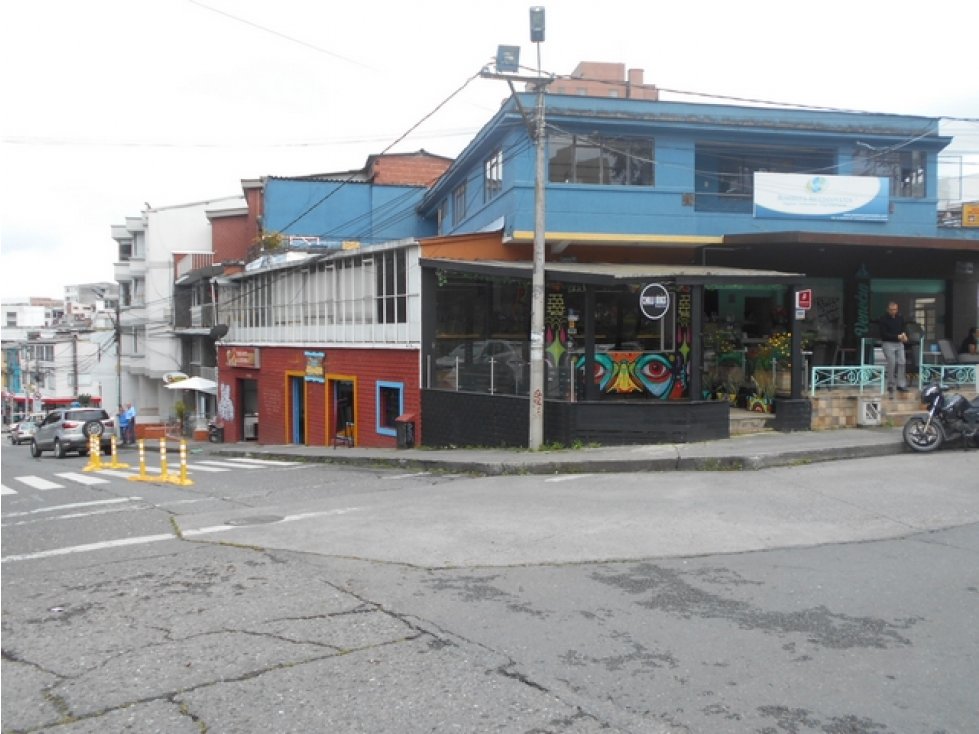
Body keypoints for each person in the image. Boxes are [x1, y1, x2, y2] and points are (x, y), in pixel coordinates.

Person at [878, 302, 910, 395]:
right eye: (892, 310)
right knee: (892, 363)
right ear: (887, 310)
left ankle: (901, 385)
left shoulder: (900, 318)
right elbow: (883, 334)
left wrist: (904, 335)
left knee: (902, 362)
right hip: (888, 343)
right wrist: (897, 337)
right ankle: (890, 385)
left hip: (899, 343)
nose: (893, 311)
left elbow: (903, 328)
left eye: (895, 309)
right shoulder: (883, 319)